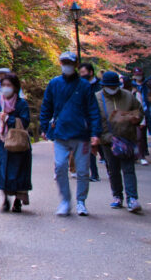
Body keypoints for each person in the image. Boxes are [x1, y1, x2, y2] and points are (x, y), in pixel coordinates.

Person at [39, 51, 101, 216]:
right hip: (60, 133)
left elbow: (93, 110)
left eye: (69, 62)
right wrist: (44, 127)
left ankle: (81, 201)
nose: (66, 65)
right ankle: (65, 200)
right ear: (60, 63)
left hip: (81, 134)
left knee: (82, 170)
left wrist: (95, 132)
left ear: (75, 64)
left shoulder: (84, 85)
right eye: (64, 62)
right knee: (60, 167)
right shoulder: (54, 84)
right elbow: (47, 106)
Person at [95, 71, 144, 212]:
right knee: (113, 169)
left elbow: (139, 111)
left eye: (114, 85)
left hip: (126, 138)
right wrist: (98, 136)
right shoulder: (97, 98)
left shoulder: (128, 96)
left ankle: (132, 198)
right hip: (107, 140)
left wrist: (133, 117)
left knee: (128, 168)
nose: (112, 88)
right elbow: (93, 118)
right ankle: (117, 195)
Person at [0, 72, 32, 213]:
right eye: (4, 85)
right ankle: (5, 198)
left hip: (17, 143)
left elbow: (25, 121)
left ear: (15, 87)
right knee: (2, 170)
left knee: (18, 171)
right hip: (2, 141)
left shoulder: (21, 104)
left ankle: (18, 200)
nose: (6, 88)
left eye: (9, 85)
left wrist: (9, 119)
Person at [78, 62, 103, 181]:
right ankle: (94, 173)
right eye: (80, 73)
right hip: (88, 120)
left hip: (101, 119)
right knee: (90, 147)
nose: (82, 75)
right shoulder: (81, 86)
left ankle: (111, 170)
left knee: (103, 147)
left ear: (91, 72)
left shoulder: (100, 85)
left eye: (83, 72)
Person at [132, 67, 151, 165]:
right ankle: (134, 155)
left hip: (139, 115)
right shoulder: (128, 91)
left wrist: (142, 120)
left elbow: (141, 106)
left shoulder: (142, 88)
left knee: (140, 137)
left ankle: (141, 155)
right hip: (128, 117)